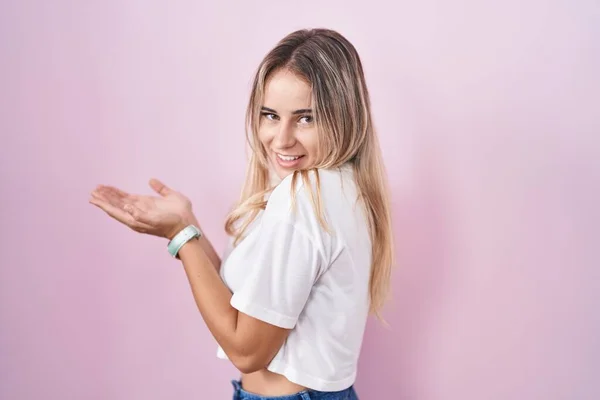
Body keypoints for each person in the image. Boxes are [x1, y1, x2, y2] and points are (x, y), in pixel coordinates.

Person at [89, 28, 394, 400]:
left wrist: (180, 238)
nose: (281, 139)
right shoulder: (344, 189)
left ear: (344, 117)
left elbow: (246, 350)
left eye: (305, 118)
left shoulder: (305, 196)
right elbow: (245, 305)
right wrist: (188, 225)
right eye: (270, 115)